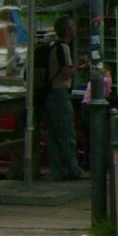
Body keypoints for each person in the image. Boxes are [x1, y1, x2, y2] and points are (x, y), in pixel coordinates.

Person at [39, 15, 84, 180]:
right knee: (66, 133)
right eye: (72, 26)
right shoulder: (63, 48)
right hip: (59, 93)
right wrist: (78, 66)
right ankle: (73, 168)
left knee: (53, 134)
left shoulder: (52, 46)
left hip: (49, 93)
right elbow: (66, 73)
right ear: (67, 30)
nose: (75, 29)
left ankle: (56, 170)